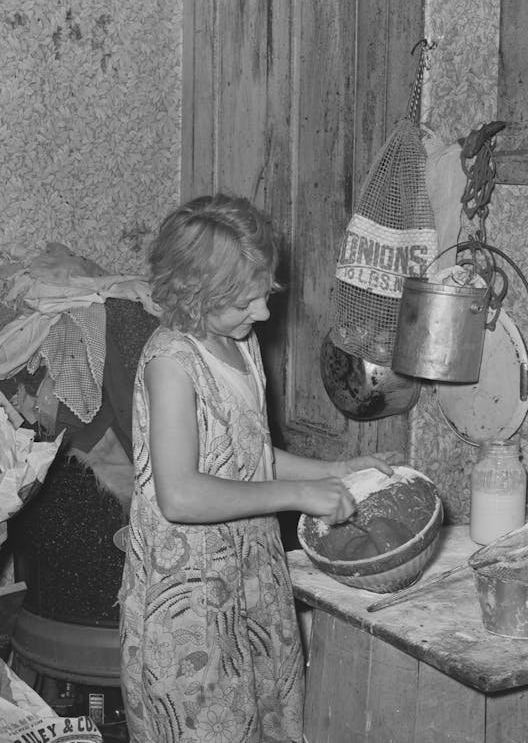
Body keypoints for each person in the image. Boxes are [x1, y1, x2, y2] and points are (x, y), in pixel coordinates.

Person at [118, 194, 393, 743]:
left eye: (264, 293)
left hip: (250, 580)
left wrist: (334, 469)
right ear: (195, 295)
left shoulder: (238, 343)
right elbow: (182, 495)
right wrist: (297, 496)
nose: (264, 314)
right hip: (190, 600)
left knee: (266, 718)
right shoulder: (172, 364)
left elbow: (248, 454)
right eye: (246, 301)